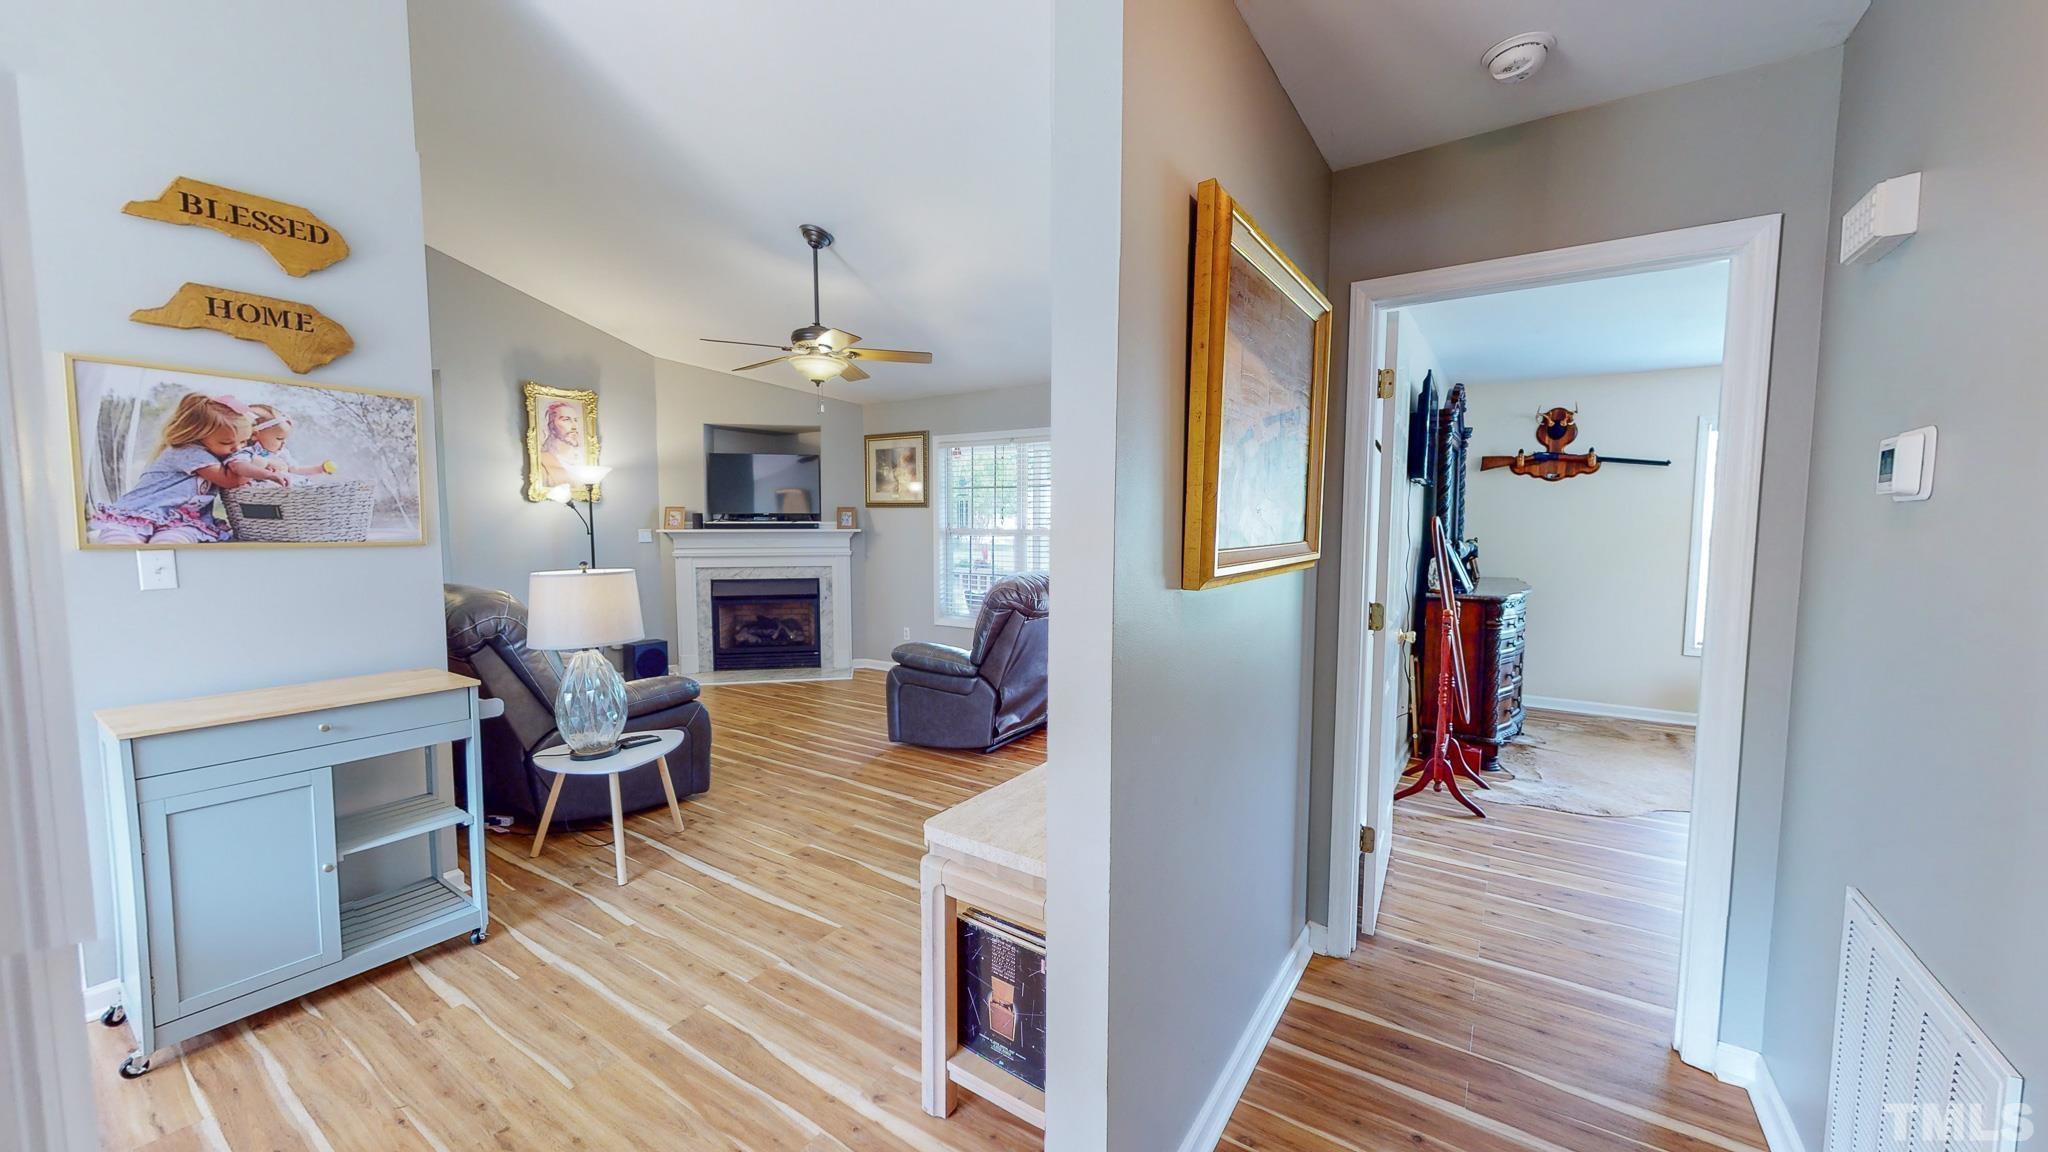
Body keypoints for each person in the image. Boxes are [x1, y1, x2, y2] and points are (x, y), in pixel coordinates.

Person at [87, 392, 255, 544]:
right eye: (226, 443)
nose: (238, 449)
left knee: (173, 542)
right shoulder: (189, 452)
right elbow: (230, 481)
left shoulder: (219, 456)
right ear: (197, 435)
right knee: (121, 541)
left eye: (244, 442)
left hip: (181, 521)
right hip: (140, 513)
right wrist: (256, 465)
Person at [226, 403, 335, 486]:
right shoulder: (249, 452)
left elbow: (295, 469)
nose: (284, 443)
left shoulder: (282, 453)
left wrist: (319, 469)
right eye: (279, 438)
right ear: (254, 435)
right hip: (265, 492)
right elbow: (240, 467)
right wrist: (265, 463)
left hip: (293, 489)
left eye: (285, 439)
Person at [537, 400, 583, 487]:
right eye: (566, 420)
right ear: (551, 425)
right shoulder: (543, 460)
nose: (574, 427)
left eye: (576, 420)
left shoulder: (583, 458)